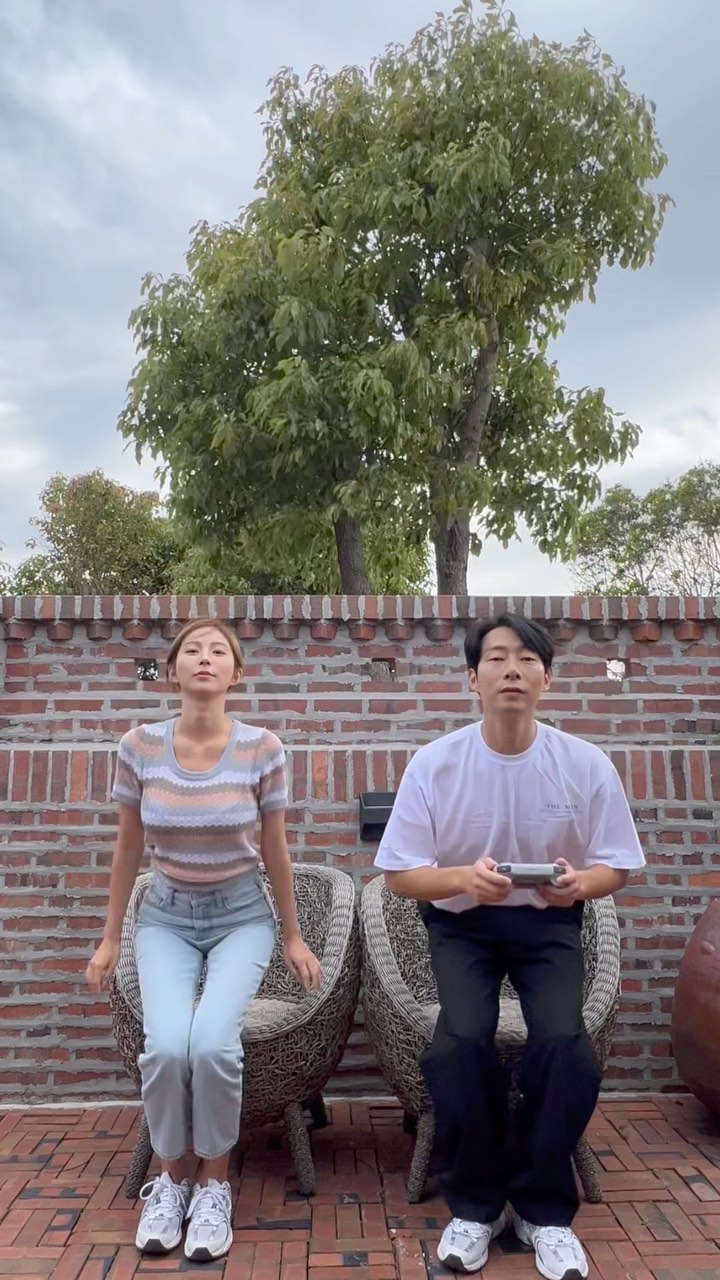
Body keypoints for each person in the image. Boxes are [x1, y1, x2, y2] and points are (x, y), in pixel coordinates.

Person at [374, 614, 644, 1280]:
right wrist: (464, 880)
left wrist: (580, 884)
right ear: (473, 678)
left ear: (546, 678)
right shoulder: (436, 763)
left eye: (527, 658)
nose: (512, 670)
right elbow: (401, 874)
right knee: (459, 1044)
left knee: (567, 1045)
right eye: (496, 658)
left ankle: (544, 1210)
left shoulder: (584, 763)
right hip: (463, 924)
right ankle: (478, 1203)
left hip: (549, 924)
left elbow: (618, 864)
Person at [86, 618, 322, 1263]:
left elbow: (276, 847)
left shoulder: (261, 748)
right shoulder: (138, 746)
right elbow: (127, 846)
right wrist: (110, 938)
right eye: (192, 649)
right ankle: (171, 1181)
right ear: (172, 671)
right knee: (166, 1046)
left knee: (212, 1044)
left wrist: (294, 935)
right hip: (164, 917)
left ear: (236, 674)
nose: (205, 657)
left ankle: (215, 1185)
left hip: (242, 916)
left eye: (219, 650)